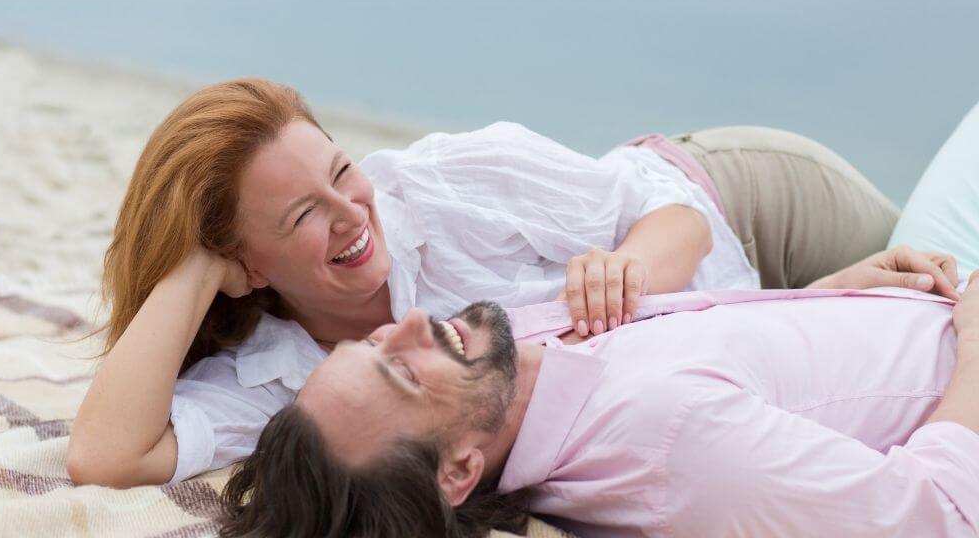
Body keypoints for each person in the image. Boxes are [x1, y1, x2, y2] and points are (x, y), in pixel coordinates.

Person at [67, 78, 901, 488]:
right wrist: (196, 262)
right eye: (301, 218)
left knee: (944, 272)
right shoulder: (290, 380)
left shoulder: (451, 182)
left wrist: (629, 277)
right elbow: (105, 455)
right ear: (248, 270)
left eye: (341, 171)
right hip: (762, 339)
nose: (352, 213)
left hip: (750, 205)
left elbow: (671, 210)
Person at [219, 245, 977, 538]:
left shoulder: (511, 363)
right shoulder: (669, 448)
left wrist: (829, 299)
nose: (412, 320)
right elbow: (936, 518)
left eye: (375, 342)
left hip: (926, 298)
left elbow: (743, 378)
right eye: (406, 371)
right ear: (457, 470)